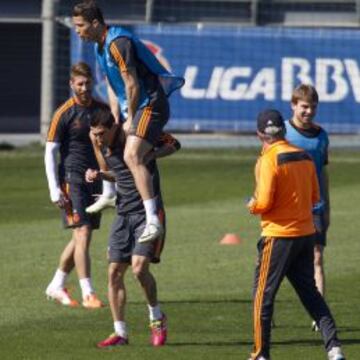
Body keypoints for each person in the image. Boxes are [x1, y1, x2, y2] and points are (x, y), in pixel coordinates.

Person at [72, 2, 184, 244]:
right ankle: (111, 192)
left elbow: (132, 84)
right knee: (101, 137)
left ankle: (152, 219)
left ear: (95, 23)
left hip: (151, 104)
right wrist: (115, 116)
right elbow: (115, 85)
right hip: (134, 106)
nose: (77, 31)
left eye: (80, 26)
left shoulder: (118, 43)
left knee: (132, 155)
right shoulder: (99, 47)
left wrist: (130, 120)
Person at [246, 109, 345, 360]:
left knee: (262, 297)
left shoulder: (268, 159)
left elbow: (265, 201)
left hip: (278, 236)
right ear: (283, 130)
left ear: (259, 134)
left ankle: (260, 354)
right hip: (305, 235)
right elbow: (315, 197)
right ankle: (334, 349)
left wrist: (253, 204)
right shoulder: (304, 156)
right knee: (311, 295)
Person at [85, 108, 180, 347]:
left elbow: (175, 143)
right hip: (123, 213)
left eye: (101, 134)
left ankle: (157, 318)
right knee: (114, 272)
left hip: (147, 213)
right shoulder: (98, 142)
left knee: (138, 269)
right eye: (94, 134)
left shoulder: (135, 136)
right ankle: (120, 333)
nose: (97, 139)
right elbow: (118, 175)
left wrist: (150, 155)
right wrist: (98, 174)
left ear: (114, 128)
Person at [44, 62, 106, 308]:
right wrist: (53, 188)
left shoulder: (101, 110)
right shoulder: (64, 113)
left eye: (88, 83)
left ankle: (56, 284)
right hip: (72, 179)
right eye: (79, 84)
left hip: (96, 181)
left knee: (81, 235)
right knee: (83, 233)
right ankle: (88, 292)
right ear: (71, 84)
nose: (84, 87)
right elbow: (50, 152)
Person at [285, 84, 330, 331]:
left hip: (314, 207)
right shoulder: (281, 132)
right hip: (286, 207)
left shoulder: (322, 136)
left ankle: (319, 316)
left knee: (317, 257)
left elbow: (322, 174)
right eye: (304, 106)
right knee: (278, 263)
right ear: (293, 105)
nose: (308, 111)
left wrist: (327, 208)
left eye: (312, 107)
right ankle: (265, 310)